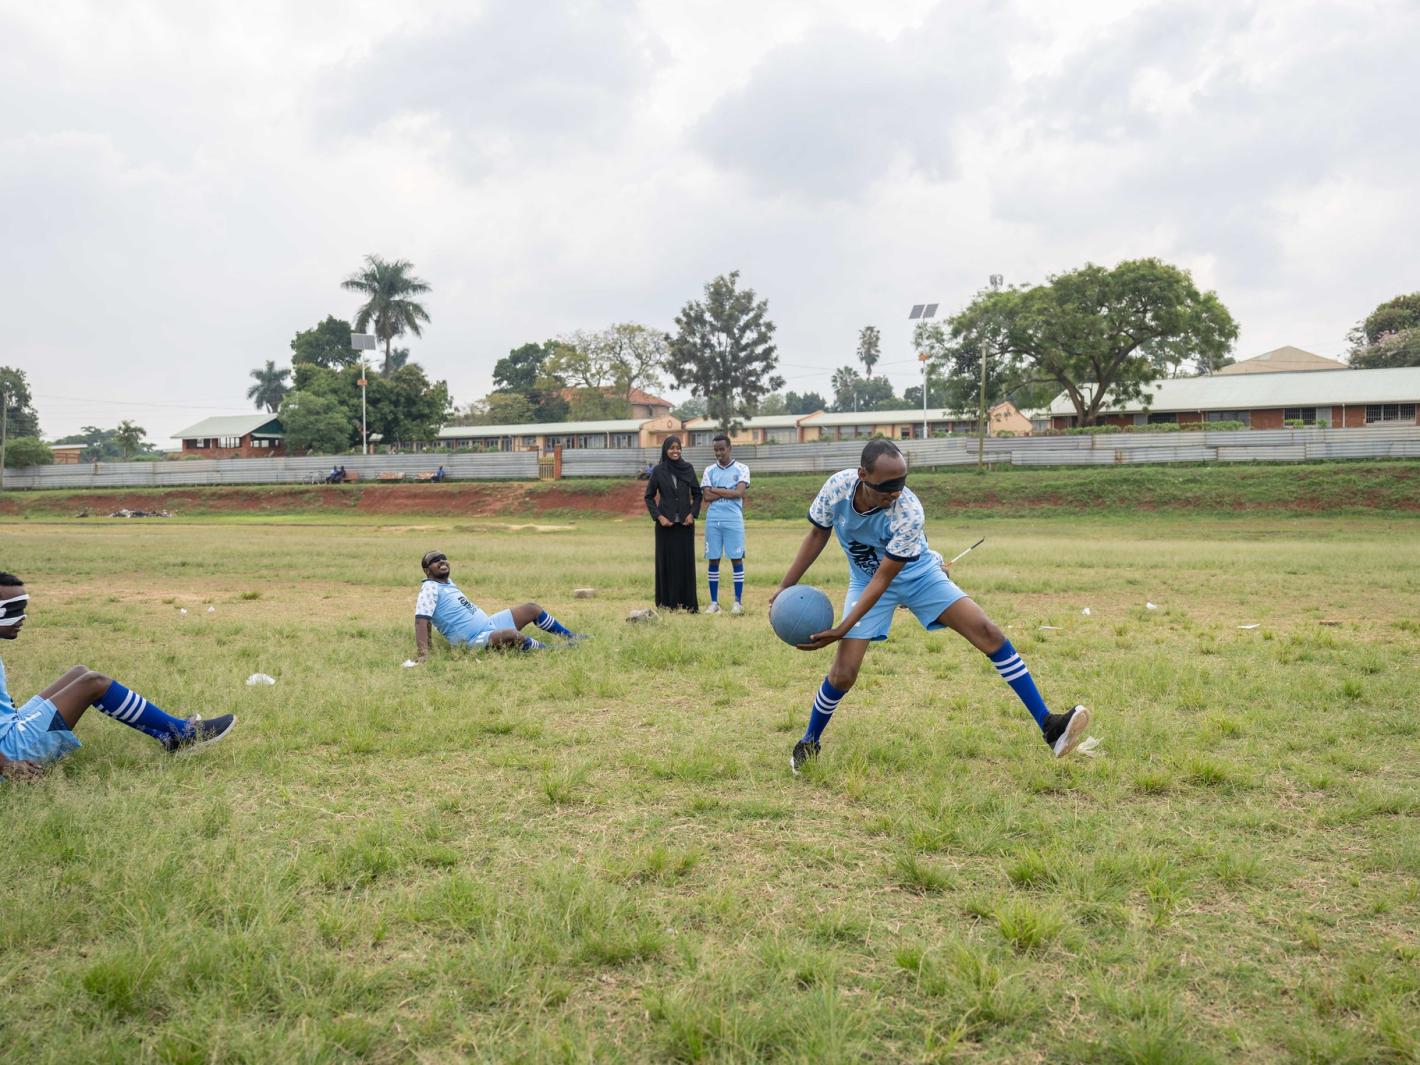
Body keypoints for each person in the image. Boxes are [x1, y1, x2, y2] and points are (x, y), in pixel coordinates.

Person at [771, 440, 1089, 774]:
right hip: (865, 581)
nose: (894, 493)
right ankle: (809, 741)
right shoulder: (837, 488)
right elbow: (817, 535)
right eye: (886, 487)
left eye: (901, 484)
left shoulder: (908, 510)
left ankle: (1050, 727)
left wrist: (843, 627)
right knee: (843, 673)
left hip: (917, 575)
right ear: (863, 475)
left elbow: (888, 577)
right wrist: (784, 587)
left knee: (988, 633)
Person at [0, 573, 235, 780]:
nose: (22, 618)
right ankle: (181, 734)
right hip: (10, 753)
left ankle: (167, 732)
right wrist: (7, 765)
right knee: (93, 683)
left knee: (79, 673)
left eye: (23, 609)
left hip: (10, 729)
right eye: (13, 610)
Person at [414, 550, 587, 660]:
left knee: (532, 608)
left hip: (489, 624)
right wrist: (424, 653)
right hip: (472, 640)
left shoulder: (447, 583)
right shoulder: (429, 588)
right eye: (435, 560)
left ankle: (570, 636)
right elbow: (421, 621)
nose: (442, 561)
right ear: (427, 571)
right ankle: (551, 651)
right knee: (512, 635)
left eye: (444, 558)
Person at [644, 436, 701, 612]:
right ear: (665, 450)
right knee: (666, 563)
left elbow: (698, 494)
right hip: (665, 526)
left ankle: (688, 604)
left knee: (685, 563)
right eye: (671, 448)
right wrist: (659, 517)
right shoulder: (659, 471)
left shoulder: (688, 469)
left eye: (678, 448)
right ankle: (667, 604)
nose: (675, 451)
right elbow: (649, 496)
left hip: (685, 525)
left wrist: (692, 514)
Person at [700, 433, 750, 614]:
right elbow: (706, 497)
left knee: (736, 558)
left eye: (722, 449)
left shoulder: (742, 468)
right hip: (713, 520)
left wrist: (715, 490)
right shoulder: (709, 470)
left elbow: (739, 493)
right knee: (713, 559)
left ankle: (738, 602)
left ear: (729, 448)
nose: (719, 453)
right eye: (716, 450)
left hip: (733, 519)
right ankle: (714, 603)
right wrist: (728, 490)